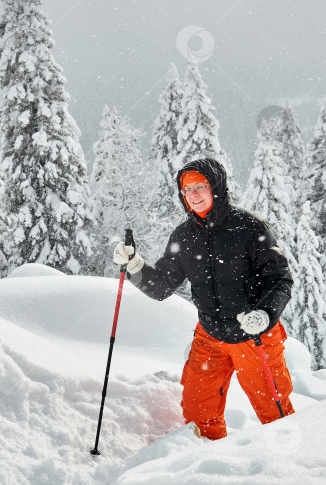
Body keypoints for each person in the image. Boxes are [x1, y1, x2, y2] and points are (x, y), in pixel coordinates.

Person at [112, 157, 295, 440]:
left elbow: (280, 278)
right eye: (187, 190)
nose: (193, 194)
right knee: (198, 414)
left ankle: (294, 465)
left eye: (200, 186)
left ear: (216, 188)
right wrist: (134, 266)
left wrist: (265, 314)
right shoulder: (184, 236)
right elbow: (161, 286)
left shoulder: (250, 228)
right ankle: (207, 468)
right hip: (210, 335)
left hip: (254, 334)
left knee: (276, 414)